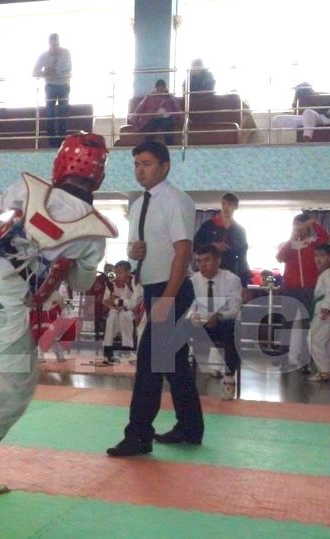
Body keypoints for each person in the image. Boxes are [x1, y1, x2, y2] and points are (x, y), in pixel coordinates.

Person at [0, 133, 117, 494]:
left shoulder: (31, 190)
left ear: (60, 164)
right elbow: (80, 281)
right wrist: (63, 256)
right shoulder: (94, 234)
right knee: (18, 388)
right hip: (7, 305)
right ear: (99, 177)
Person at [107, 140, 204, 457]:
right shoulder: (137, 205)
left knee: (149, 364)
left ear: (165, 166)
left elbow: (183, 252)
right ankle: (190, 427)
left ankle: (139, 435)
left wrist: (167, 299)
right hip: (152, 288)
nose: (140, 170)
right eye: (136, 164)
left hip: (171, 289)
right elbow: (136, 248)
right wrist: (132, 251)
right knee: (173, 364)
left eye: (146, 164)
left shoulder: (176, 200)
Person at [188, 244, 243, 400]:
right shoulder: (192, 281)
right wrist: (193, 317)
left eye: (207, 260)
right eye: (199, 261)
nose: (202, 265)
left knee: (232, 327)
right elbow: (190, 307)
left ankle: (229, 378)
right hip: (200, 324)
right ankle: (183, 379)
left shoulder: (232, 280)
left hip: (223, 324)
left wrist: (218, 316)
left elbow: (235, 309)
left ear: (218, 260)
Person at [276, 213, 329, 368]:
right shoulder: (289, 244)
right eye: (296, 224)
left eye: (302, 224)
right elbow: (280, 257)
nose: (299, 227)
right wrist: (291, 239)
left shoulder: (313, 242)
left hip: (309, 289)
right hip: (290, 289)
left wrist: (313, 223)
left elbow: (325, 236)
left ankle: (306, 361)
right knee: (286, 323)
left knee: (307, 325)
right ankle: (284, 359)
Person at [194, 193, 251, 296]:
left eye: (230, 204)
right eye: (224, 204)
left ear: (235, 207)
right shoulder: (208, 225)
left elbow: (242, 258)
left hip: (228, 274)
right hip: (206, 273)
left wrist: (244, 283)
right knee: (204, 303)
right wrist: (213, 245)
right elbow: (195, 245)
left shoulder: (239, 231)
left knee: (226, 304)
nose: (226, 207)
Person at [33, 33, 72, 147]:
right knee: (50, 113)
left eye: (57, 44)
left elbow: (67, 69)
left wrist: (52, 72)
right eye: (53, 44)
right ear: (49, 44)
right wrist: (45, 73)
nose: (55, 47)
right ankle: (52, 140)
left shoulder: (66, 53)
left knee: (63, 113)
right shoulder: (43, 56)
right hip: (50, 86)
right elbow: (34, 72)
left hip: (64, 85)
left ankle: (62, 139)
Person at [102, 260, 142, 361]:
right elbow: (106, 300)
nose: (117, 276)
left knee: (125, 315)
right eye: (116, 273)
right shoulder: (111, 284)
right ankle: (108, 347)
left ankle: (127, 348)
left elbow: (135, 301)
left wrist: (120, 302)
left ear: (128, 272)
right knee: (112, 316)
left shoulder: (135, 283)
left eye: (120, 272)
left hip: (132, 311)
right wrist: (114, 304)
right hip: (115, 309)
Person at [129, 79, 182, 145]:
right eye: (158, 89)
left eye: (162, 89)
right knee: (149, 130)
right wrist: (134, 118)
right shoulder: (150, 97)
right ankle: (147, 147)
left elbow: (177, 108)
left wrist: (182, 118)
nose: (160, 91)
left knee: (168, 130)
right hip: (153, 118)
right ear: (156, 88)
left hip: (167, 119)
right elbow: (140, 107)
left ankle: (169, 147)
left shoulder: (170, 97)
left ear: (165, 88)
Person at [308, 244, 330, 382]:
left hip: (324, 311)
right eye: (316, 255)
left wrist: (326, 307)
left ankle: (324, 370)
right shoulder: (325, 274)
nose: (318, 259)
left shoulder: (328, 274)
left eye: (323, 256)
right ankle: (325, 369)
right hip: (322, 309)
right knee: (324, 341)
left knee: (314, 339)